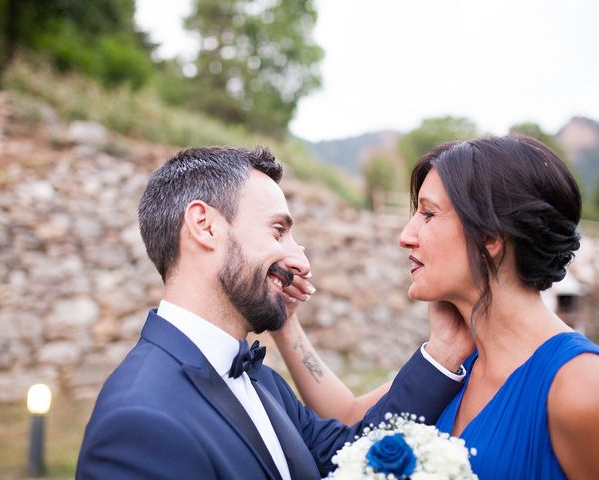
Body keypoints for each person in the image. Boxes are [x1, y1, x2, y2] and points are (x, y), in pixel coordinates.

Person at [75, 146, 472, 480]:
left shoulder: (259, 377)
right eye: (278, 231)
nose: (300, 259)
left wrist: (444, 353)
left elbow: (351, 452)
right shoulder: (138, 424)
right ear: (205, 226)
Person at [273, 136, 599, 479]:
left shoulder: (581, 387)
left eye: (428, 214)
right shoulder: (457, 364)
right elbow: (349, 420)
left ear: (490, 237)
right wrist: (285, 323)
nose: (405, 235)